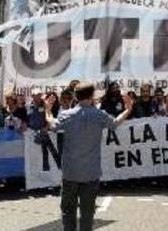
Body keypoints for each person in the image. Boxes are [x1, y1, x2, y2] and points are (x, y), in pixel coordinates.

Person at [44, 82, 133, 231]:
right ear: (91, 96)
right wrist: (128, 109)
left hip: (70, 173)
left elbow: (52, 125)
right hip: (91, 173)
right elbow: (115, 123)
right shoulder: (99, 114)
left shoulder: (67, 114)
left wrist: (47, 109)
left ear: (75, 97)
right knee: (87, 213)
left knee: (68, 211)